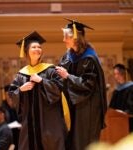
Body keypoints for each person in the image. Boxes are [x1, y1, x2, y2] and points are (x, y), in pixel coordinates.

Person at [8, 31, 68, 150]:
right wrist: (21, 89)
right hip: (29, 126)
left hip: (49, 123)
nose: (37, 49)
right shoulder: (21, 75)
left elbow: (59, 89)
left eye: (39, 47)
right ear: (26, 51)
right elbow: (11, 94)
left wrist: (41, 80)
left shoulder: (50, 70)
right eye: (34, 47)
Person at [56, 18, 107, 150]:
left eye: (66, 37)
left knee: (83, 142)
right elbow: (59, 74)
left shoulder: (89, 58)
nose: (63, 40)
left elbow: (88, 84)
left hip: (86, 108)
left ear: (75, 38)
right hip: (73, 105)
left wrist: (67, 76)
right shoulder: (67, 56)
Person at [109, 63, 133, 132]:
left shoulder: (131, 88)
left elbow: (131, 106)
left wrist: (124, 112)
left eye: (116, 74)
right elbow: (112, 107)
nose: (115, 76)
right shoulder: (117, 90)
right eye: (114, 74)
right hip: (117, 122)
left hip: (129, 122)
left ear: (122, 74)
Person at [1, 85, 20, 150]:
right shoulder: (3, 108)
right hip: (8, 135)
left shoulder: (18, 104)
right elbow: (2, 123)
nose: (9, 97)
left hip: (18, 133)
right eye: (7, 95)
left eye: (10, 94)